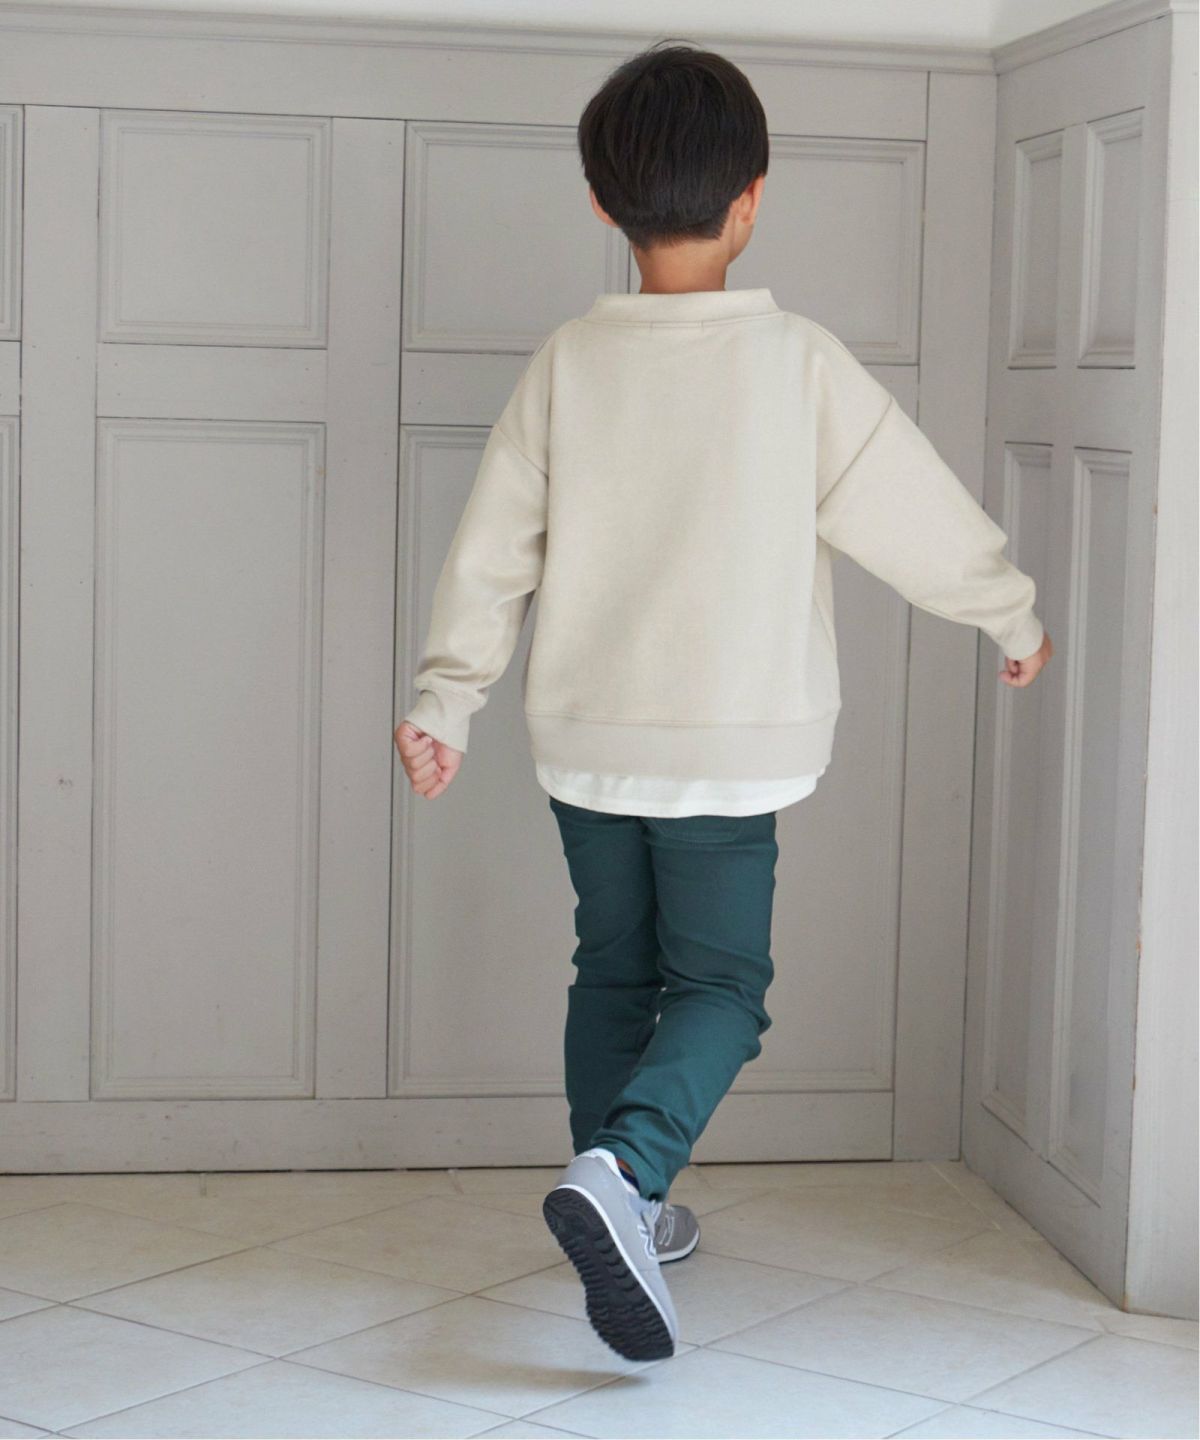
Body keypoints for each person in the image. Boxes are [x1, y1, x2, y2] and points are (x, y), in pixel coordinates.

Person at [393, 39, 1053, 1364]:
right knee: (724, 987)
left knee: (613, 969)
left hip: (586, 741)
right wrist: (1008, 609)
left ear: (601, 204)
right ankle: (625, 1176)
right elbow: (911, 511)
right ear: (754, 197)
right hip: (732, 744)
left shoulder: (569, 362)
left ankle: (629, 1199)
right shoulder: (798, 362)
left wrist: (447, 698)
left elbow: (492, 549)